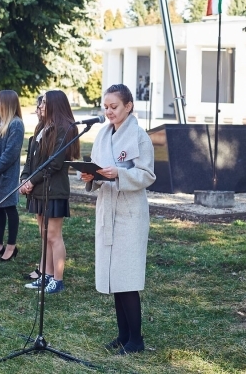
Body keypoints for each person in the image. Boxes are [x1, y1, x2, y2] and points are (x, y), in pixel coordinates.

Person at [80, 84, 155, 355]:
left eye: (114, 107)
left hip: (129, 213)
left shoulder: (139, 137)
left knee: (127, 276)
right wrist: (91, 176)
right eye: (106, 107)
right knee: (114, 275)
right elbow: (98, 168)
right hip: (107, 208)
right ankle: (123, 334)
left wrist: (118, 175)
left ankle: (136, 339)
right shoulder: (102, 134)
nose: (109, 111)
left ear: (128, 106)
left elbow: (147, 174)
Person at [22, 90, 79, 293]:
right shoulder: (41, 127)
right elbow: (30, 160)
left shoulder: (64, 129)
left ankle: (58, 279)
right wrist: (24, 179)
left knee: (54, 235)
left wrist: (31, 181)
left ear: (55, 104)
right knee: (44, 235)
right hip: (37, 189)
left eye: (45, 103)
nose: (41, 106)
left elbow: (54, 164)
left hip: (54, 190)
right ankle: (45, 275)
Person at [0, 90, 24, 262]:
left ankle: (11, 245)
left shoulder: (16, 124)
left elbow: (11, 153)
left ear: (8, 103)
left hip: (7, 174)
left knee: (9, 208)